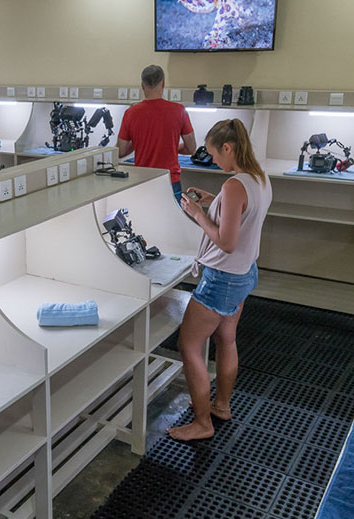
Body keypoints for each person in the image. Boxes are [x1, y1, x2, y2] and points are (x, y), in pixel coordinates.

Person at [167, 119, 272, 442]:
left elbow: (225, 241)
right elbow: (243, 212)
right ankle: (221, 406)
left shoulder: (234, 186)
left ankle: (202, 423)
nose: (213, 161)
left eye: (215, 154)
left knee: (189, 345)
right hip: (244, 274)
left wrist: (198, 214)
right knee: (227, 338)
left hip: (222, 277)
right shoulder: (258, 178)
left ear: (228, 148)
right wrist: (213, 201)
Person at [117, 65, 196, 202]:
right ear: (163, 84)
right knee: (171, 221)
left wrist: (139, 143)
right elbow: (191, 148)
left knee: (144, 221)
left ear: (142, 85)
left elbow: (121, 151)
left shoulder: (131, 113)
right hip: (170, 181)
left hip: (142, 181)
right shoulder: (179, 111)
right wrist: (170, 148)